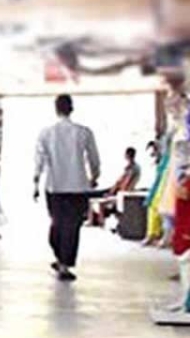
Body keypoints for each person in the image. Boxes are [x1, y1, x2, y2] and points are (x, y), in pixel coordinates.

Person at [34, 94, 101, 281]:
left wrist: (35, 182)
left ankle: (60, 258)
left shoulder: (46, 133)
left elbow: (39, 159)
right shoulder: (84, 132)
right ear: (72, 109)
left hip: (54, 186)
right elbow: (94, 158)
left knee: (57, 223)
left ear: (56, 109)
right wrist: (94, 176)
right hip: (78, 187)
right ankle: (64, 263)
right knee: (72, 227)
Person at [89, 147, 141, 227]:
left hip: (121, 193)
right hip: (122, 191)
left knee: (97, 201)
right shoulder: (134, 167)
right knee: (97, 195)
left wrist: (112, 193)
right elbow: (121, 182)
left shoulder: (131, 168)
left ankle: (99, 222)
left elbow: (124, 184)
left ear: (127, 155)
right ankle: (96, 220)